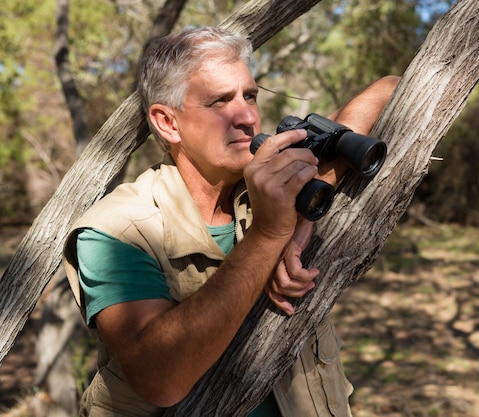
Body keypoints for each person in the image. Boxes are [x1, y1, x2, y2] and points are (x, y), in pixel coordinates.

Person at [63, 26, 399, 416]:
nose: (248, 116)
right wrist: (270, 235)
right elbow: (160, 376)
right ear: (168, 122)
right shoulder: (118, 227)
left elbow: (390, 89)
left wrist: (309, 207)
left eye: (250, 95)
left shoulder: (270, 184)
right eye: (221, 102)